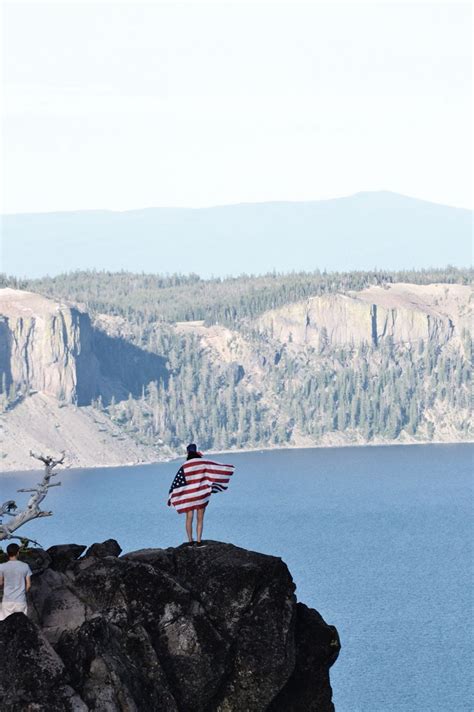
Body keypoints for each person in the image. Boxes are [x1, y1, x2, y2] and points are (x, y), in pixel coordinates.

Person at [167, 443, 235, 547]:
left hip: (189, 496)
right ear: (196, 451)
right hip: (201, 495)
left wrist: (171, 494)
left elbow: (177, 483)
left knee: (189, 518)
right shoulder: (203, 462)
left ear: (187, 452)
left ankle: (190, 541)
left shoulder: (184, 466)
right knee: (200, 518)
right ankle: (199, 541)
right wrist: (227, 469)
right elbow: (214, 469)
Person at [0, 542, 32, 621]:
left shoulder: (2, 566)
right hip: (20, 601)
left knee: (4, 625)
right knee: (21, 625)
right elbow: (28, 585)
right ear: (18, 552)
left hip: (7, 601)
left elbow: (0, 583)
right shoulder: (25, 566)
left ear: (8, 553)